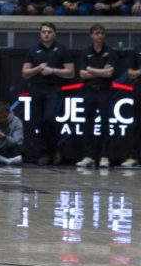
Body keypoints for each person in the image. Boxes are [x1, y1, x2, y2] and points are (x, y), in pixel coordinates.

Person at [22, 22, 75, 165]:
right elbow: (25, 73)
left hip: (54, 89)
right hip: (36, 88)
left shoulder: (61, 49)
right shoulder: (33, 50)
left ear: (54, 34)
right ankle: (45, 152)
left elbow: (70, 72)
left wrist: (53, 71)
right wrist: (37, 69)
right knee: (38, 122)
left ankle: (55, 149)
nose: (46, 34)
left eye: (49, 32)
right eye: (44, 32)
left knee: (49, 119)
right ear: (40, 34)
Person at [75, 23, 118, 169]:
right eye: (97, 33)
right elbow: (82, 74)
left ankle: (105, 156)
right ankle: (89, 156)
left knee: (105, 123)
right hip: (88, 90)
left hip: (105, 90)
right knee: (88, 123)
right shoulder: (85, 52)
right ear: (91, 35)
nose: (99, 36)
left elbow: (109, 74)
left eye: (102, 33)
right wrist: (99, 71)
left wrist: (90, 69)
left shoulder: (110, 52)